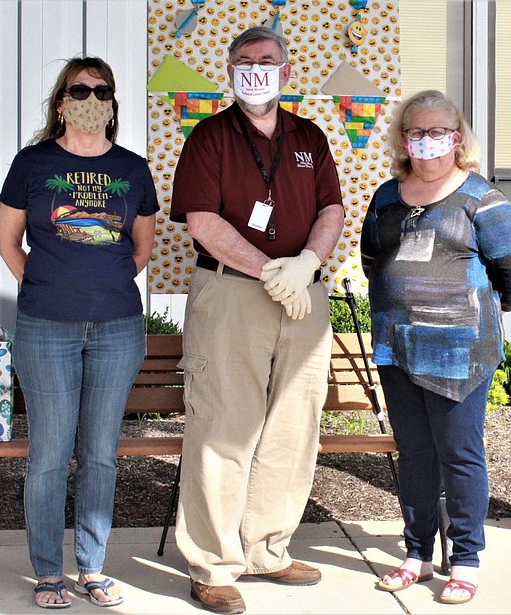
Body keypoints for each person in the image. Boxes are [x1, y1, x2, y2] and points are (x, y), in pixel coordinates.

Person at [169, 26, 344, 615]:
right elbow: (203, 222)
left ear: (286, 72)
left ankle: (268, 548)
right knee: (223, 425)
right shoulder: (209, 137)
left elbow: (331, 209)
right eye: (245, 61)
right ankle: (213, 564)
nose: (256, 69)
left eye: (267, 61)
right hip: (232, 295)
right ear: (230, 70)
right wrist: (274, 271)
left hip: (304, 298)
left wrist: (308, 265)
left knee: (293, 426)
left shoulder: (310, 137)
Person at [360, 89, 511, 605]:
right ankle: (416, 553)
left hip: (459, 350)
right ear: (403, 138)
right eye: (416, 132)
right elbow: (373, 258)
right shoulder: (387, 196)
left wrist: (490, 305)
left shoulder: (482, 197)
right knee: (414, 453)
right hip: (398, 343)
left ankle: (465, 561)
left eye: (438, 131)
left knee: (459, 454)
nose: (427, 141)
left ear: (457, 138)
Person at [0, 57, 158, 609]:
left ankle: (91, 567)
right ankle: (46, 571)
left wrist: (97, 285)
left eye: (101, 89)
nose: (90, 97)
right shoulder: (32, 163)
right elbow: (8, 242)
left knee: (100, 454)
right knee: (48, 453)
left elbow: (140, 248)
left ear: (113, 102)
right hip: (45, 327)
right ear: (60, 101)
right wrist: (42, 283)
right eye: (79, 89)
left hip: (117, 327)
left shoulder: (134, 169)